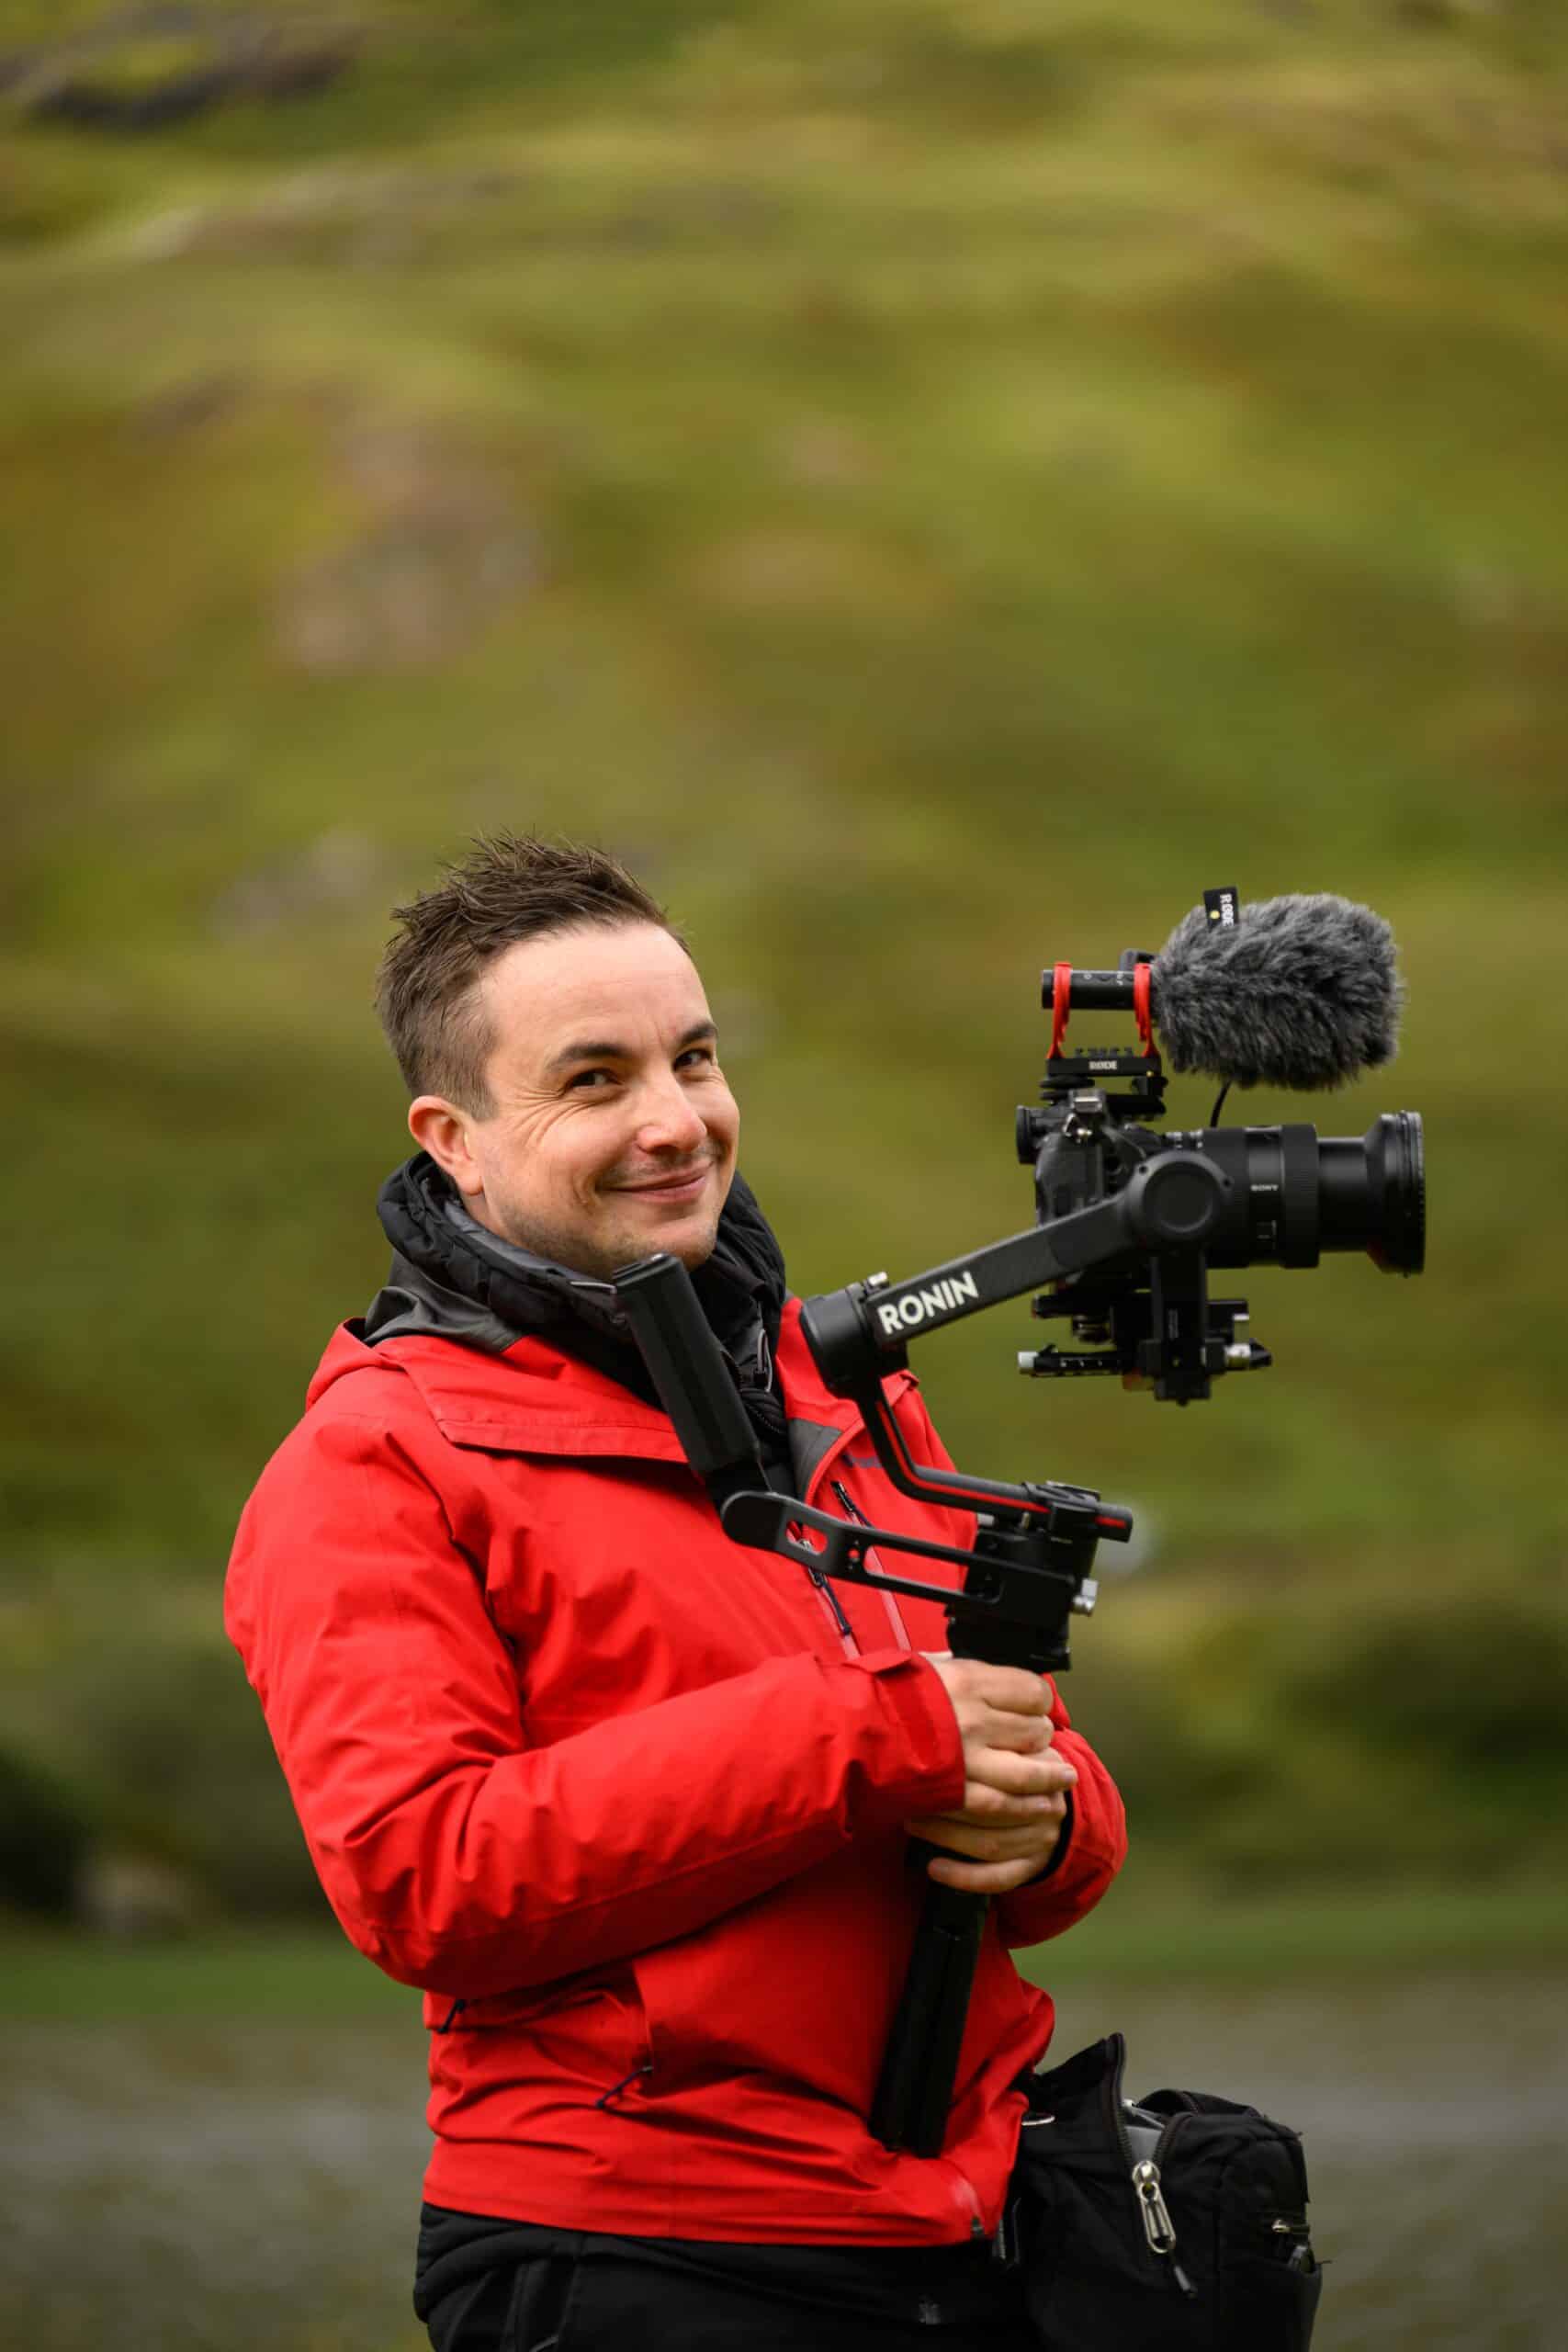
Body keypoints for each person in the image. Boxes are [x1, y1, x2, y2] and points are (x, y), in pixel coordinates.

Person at [225, 833, 1127, 2352]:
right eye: (593, 1081)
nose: (675, 1122)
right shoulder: (373, 1459)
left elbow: (1009, 1766)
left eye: (693, 1059)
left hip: (971, 2226)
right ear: (453, 1136)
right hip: (639, 2253)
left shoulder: (834, 1391)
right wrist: (876, 1739)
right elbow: (424, 1880)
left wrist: (1053, 1818)